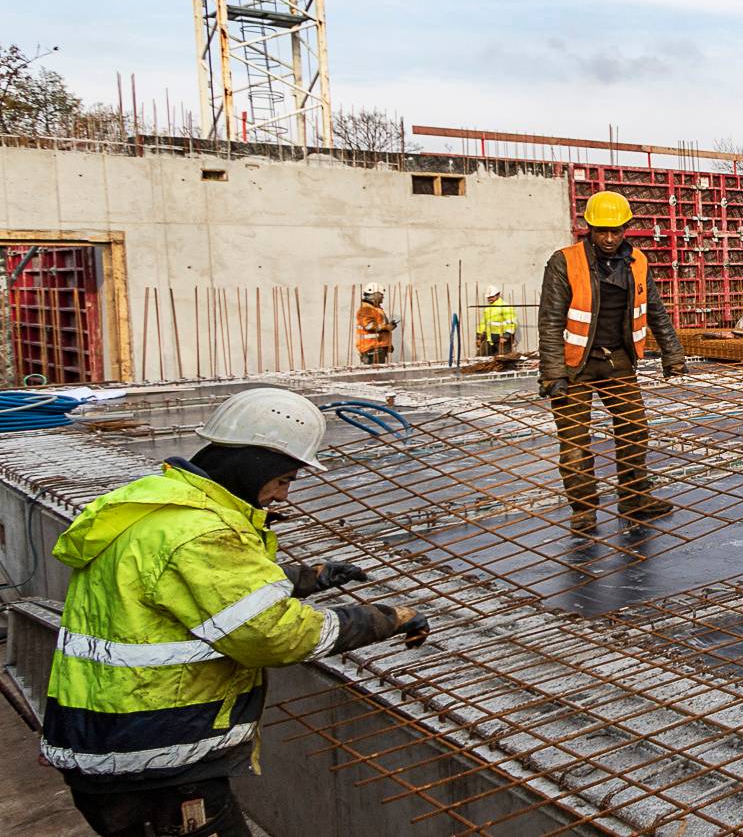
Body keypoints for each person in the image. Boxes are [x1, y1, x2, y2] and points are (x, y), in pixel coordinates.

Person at [41, 388, 430, 837]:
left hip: (109, 738)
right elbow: (272, 634)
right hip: (156, 761)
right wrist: (385, 619)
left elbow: (193, 588)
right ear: (255, 466)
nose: (282, 496)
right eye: (283, 480)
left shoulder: (160, 505)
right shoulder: (201, 532)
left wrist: (304, 578)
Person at [537, 191, 685, 530]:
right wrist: (552, 373)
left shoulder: (638, 262)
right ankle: (584, 510)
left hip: (618, 361)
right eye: (601, 230)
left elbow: (656, 312)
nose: (607, 238)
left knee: (635, 429)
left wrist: (672, 354)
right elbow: (550, 319)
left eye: (615, 231)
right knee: (575, 441)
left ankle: (634, 498)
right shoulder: (565, 261)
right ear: (588, 227)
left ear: (625, 229)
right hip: (575, 364)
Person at [354, 283, 396, 365]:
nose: (382, 297)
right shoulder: (366, 309)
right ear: (375, 295)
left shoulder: (375, 308)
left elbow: (379, 326)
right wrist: (386, 327)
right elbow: (369, 326)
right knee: (375, 375)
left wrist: (386, 344)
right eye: (381, 295)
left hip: (376, 347)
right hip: (371, 348)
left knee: (378, 374)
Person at [477, 285, 519, 356]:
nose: (489, 299)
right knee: (482, 358)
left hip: (502, 339)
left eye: (491, 297)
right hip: (490, 339)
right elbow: (483, 323)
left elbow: (512, 323)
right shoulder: (488, 308)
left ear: (498, 295)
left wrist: (506, 336)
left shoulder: (505, 306)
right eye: (488, 297)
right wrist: (478, 336)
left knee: (503, 360)